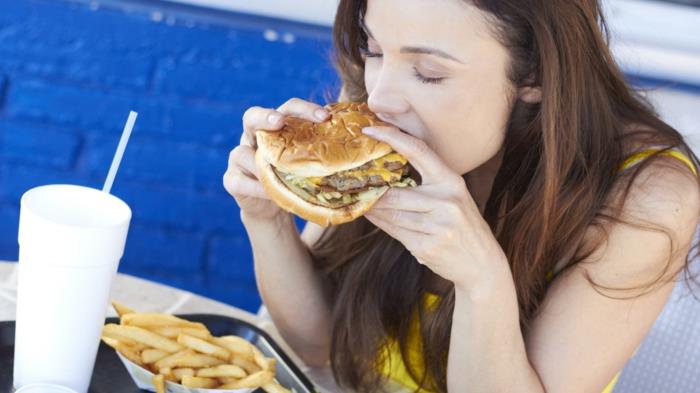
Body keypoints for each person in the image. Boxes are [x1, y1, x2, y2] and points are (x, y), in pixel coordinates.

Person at [223, 0, 700, 392]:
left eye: (429, 72)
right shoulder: (379, 103)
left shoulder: (646, 196)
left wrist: (480, 280)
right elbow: (317, 346)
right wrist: (266, 217)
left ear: (536, 74)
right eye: (373, 49)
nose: (380, 97)